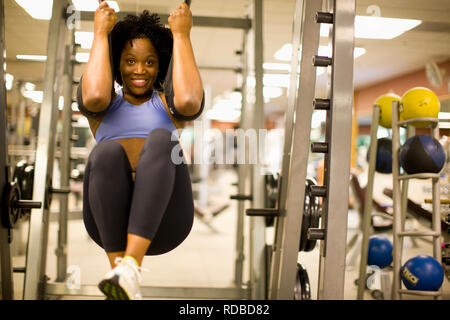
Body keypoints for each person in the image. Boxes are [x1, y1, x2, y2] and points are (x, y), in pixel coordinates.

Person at [77, 1, 204, 300]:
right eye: (130, 60)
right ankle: (120, 275)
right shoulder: (102, 108)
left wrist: (182, 36)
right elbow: (95, 93)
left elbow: (189, 102)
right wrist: (99, 34)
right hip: (111, 225)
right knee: (105, 152)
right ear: (117, 63)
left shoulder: (168, 106)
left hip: (166, 220)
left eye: (149, 62)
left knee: (162, 140)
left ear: (160, 65)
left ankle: (131, 267)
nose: (140, 70)